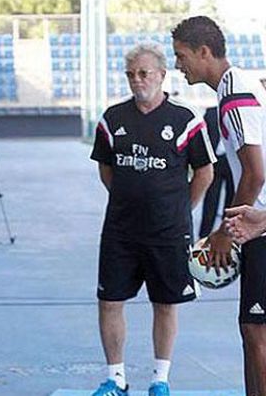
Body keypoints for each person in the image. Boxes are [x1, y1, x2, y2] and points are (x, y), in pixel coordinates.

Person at [90, 42, 215, 396]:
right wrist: (129, 201)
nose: (137, 80)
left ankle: (160, 379)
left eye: (144, 73)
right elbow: (106, 169)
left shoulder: (185, 120)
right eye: (131, 74)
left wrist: (178, 209)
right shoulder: (112, 119)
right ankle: (115, 378)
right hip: (120, 231)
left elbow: (204, 172)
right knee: (110, 300)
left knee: (165, 303)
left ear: (161, 75)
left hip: (168, 234)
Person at [172, 15, 266, 395]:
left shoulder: (234, 95)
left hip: (259, 224)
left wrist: (228, 234)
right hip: (256, 221)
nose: (178, 66)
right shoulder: (233, 88)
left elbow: (255, 173)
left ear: (204, 52)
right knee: (251, 329)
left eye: (181, 56)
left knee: (257, 331)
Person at [198, 106, 235, 238]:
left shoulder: (238, 114)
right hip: (215, 161)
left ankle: (226, 235)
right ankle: (204, 235)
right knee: (211, 200)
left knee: (231, 200)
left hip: (232, 161)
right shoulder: (211, 113)